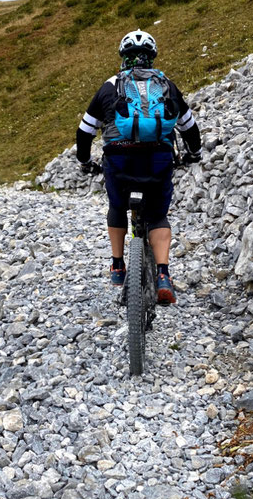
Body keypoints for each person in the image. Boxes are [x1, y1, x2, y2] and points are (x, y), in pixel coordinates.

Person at [76, 28, 202, 305]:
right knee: (157, 214)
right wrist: (194, 154)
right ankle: (163, 276)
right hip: (157, 158)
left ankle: (118, 265)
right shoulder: (166, 84)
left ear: (123, 57)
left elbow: (85, 132)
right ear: (152, 57)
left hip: (118, 159)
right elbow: (189, 127)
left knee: (117, 207)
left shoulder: (110, 86)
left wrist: (85, 162)